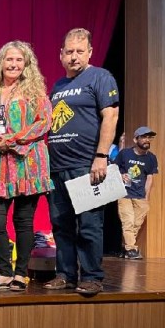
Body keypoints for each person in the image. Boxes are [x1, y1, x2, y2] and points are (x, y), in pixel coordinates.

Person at [0, 41, 53, 291]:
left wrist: (15, 138)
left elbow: (44, 122)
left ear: (26, 64)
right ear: (1, 62)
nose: (14, 64)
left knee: (23, 219)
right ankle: (5, 272)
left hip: (27, 160)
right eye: (9, 59)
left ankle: (20, 274)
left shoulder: (34, 92)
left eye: (19, 60)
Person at [47, 28, 120, 296]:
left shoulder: (100, 77)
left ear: (90, 52)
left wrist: (101, 157)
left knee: (89, 225)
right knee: (61, 224)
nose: (74, 57)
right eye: (69, 52)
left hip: (86, 165)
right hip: (57, 168)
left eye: (80, 51)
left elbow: (110, 116)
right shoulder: (58, 86)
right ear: (61, 55)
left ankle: (91, 276)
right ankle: (65, 274)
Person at [117, 126, 158, 260]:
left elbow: (150, 178)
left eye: (149, 137)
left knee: (136, 224)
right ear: (136, 139)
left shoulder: (151, 158)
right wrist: (121, 175)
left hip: (140, 195)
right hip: (124, 194)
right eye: (144, 137)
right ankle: (131, 250)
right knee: (128, 222)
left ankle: (126, 246)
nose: (147, 140)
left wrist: (146, 197)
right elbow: (114, 169)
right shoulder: (125, 154)